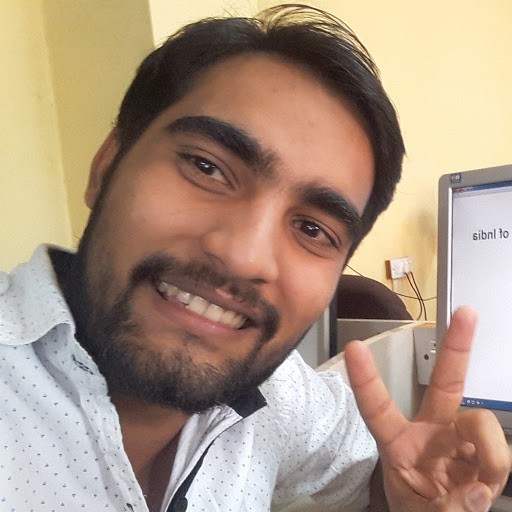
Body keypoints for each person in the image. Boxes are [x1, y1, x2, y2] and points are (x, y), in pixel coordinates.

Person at [0, 4, 509, 511]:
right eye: (207, 168)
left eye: (313, 229)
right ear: (106, 165)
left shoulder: (279, 392)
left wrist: (407, 493)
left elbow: (375, 476)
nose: (245, 257)